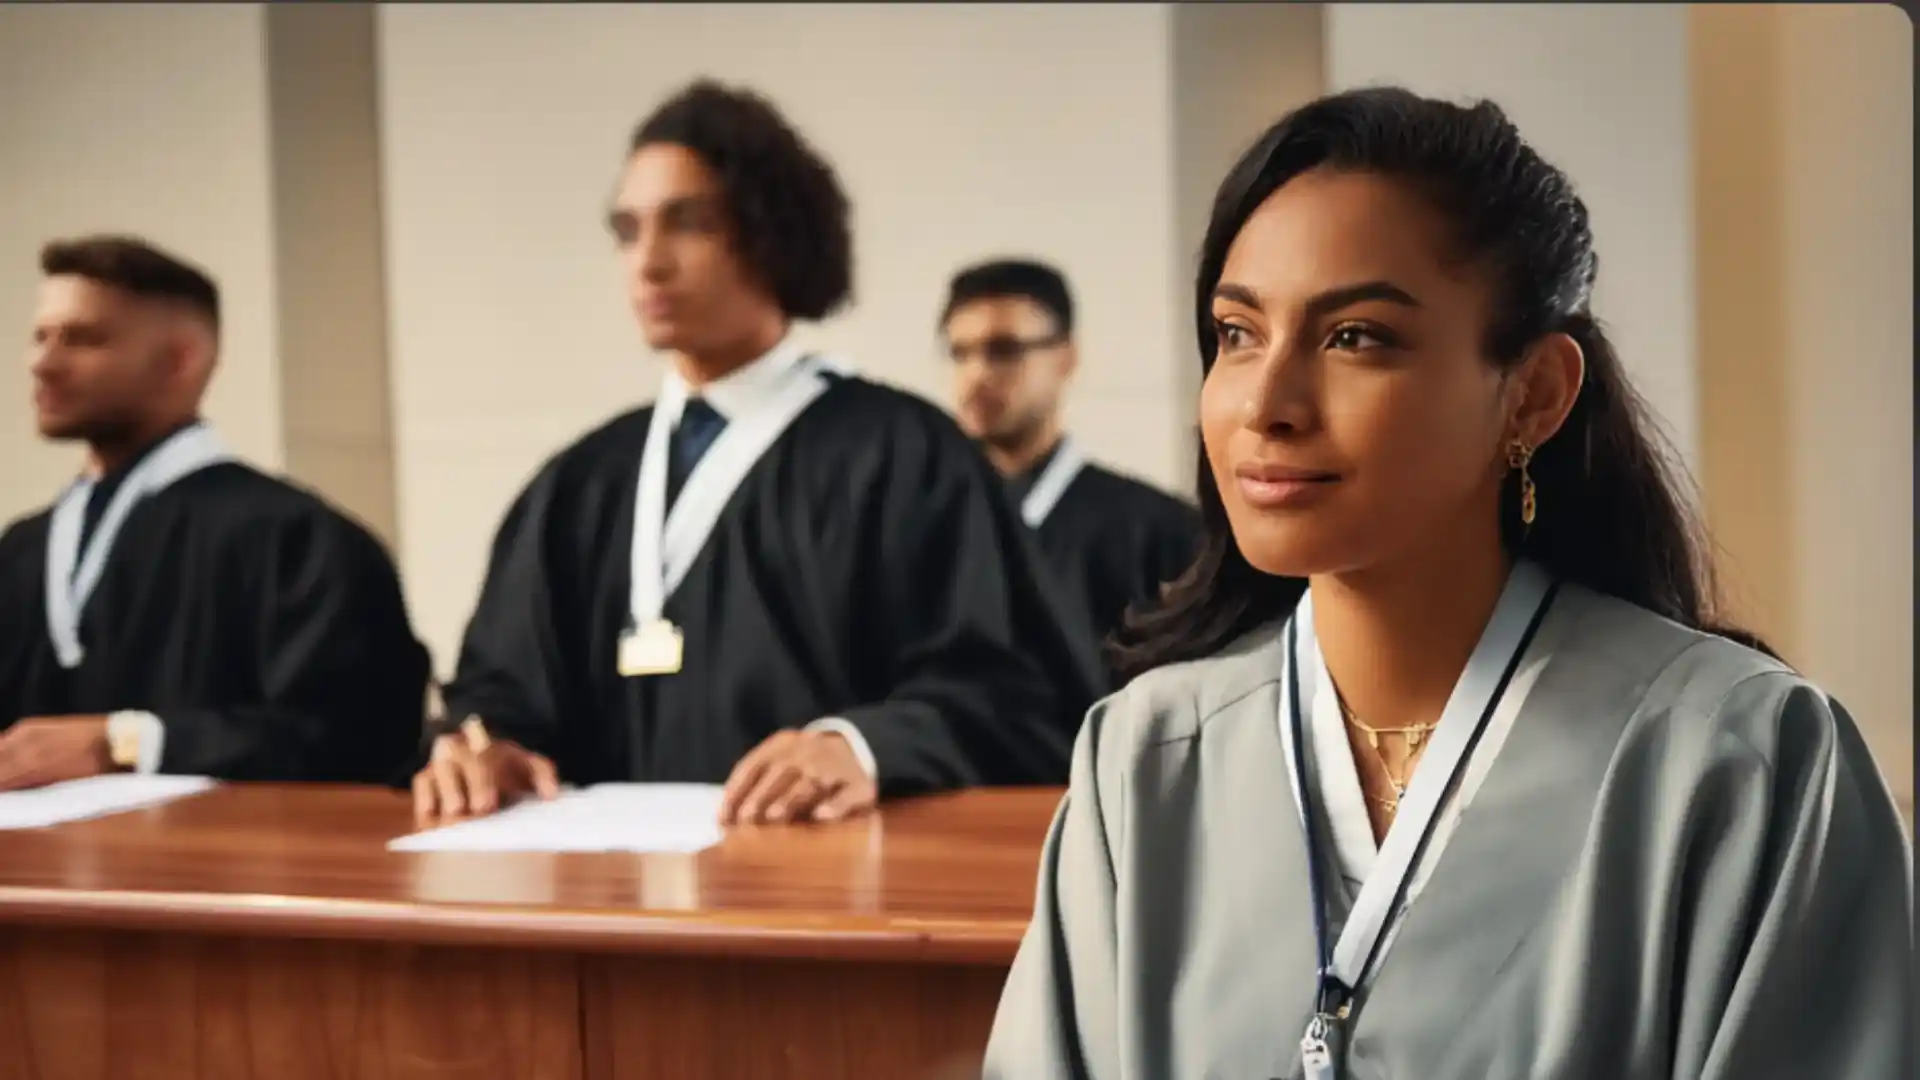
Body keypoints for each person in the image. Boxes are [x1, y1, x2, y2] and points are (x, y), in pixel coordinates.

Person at [983, 88, 1910, 1080]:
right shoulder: (1144, 762)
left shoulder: (1743, 766)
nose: (1266, 403)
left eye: (1356, 338)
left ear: (1536, 394)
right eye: (1238, 333)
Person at [413, 81, 1103, 827]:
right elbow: (501, 688)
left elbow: (1013, 693)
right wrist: (483, 745)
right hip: (610, 908)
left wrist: (863, 746)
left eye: (689, 224)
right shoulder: (581, 483)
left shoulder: (905, 456)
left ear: (773, 230)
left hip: (829, 897)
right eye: (627, 230)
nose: (648, 262)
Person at [0, 236, 431, 788]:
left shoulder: (297, 538)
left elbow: (360, 737)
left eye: (83, 339)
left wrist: (127, 742)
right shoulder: (23, 547)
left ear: (180, 360)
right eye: (40, 336)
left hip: (228, 866)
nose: (43, 363)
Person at [943, 258, 1199, 689]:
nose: (976, 374)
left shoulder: (1162, 533)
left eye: (1003, 350)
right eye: (960, 353)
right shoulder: (932, 526)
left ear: (1066, 358)